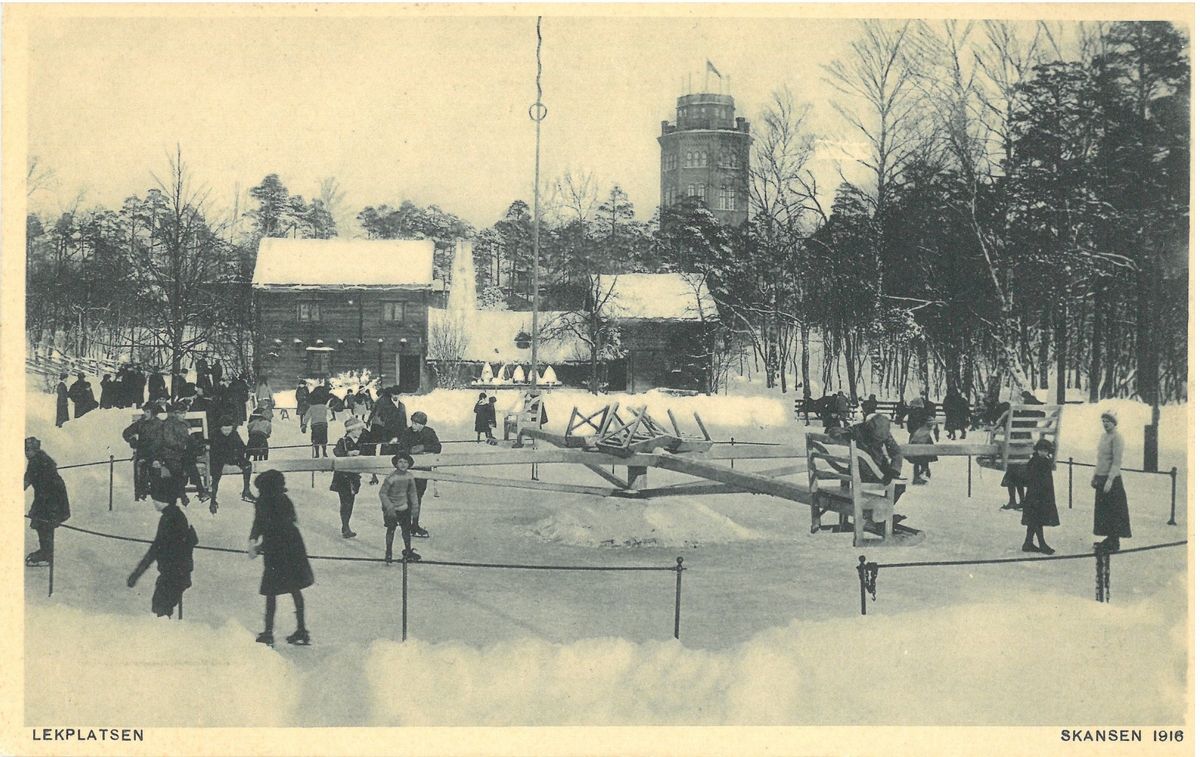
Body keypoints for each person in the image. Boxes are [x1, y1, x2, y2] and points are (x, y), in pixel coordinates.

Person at [248, 470, 314, 647]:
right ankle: (301, 630)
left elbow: (275, 528)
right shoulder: (275, 500)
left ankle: (269, 633)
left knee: (272, 590)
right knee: (293, 588)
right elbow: (259, 523)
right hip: (289, 547)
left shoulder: (273, 501)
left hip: (282, 549)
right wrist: (253, 539)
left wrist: (258, 545)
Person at [126, 490, 197, 618]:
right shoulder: (175, 515)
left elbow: (156, 548)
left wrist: (137, 574)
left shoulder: (169, 519)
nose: (153, 502)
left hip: (174, 573)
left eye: (155, 499)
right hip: (177, 572)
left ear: (162, 501)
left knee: (161, 606)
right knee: (161, 605)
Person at [24, 437, 70, 566]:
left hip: (52, 497)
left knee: (44, 522)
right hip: (46, 496)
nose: (26, 453)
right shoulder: (36, 459)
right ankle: (46, 551)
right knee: (42, 522)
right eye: (25, 450)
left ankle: (46, 553)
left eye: (28, 450)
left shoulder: (39, 461)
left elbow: (28, 480)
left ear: (35, 450)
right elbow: (28, 478)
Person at [398, 411, 442, 538]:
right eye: (412, 422)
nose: (413, 425)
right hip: (410, 470)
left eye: (416, 423)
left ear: (422, 424)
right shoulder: (407, 432)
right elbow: (401, 448)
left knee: (418, 498)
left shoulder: (429, 432)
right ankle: (406, 525)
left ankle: (415, 524)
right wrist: (409, 451)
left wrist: (423, 447)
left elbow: (438, 447)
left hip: (423, 471)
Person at [1093, 411, 1130, 553]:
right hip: (1101, 478)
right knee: (1104, 512)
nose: (1105, 423)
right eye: (1103, 421)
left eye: (1108, 421)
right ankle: (1109, 538)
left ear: (1114, 423)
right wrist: (1095, 476)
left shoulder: (1117, 438)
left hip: (1112, 480)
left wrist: (1110, 480)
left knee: (1113, 511)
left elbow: (1116, 462)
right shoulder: (1103, 437)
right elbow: (1100, 459)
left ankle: (1114, 542)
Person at [379, 453, 421, 563]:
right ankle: (388, 553)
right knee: (391, 530)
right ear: (396, 464)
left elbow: (412, 492)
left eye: (406, 462)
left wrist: (415, 506)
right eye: (401, 462)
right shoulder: (391, 477)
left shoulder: (409, 476)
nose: (403, 464)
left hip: (404, 508)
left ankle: (408, 551)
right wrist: (389, 506)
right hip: (392, 509)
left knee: (406, 530)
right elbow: (382, 493)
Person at [208, 416, 253, 515]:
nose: (227, 432)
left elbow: (241, 446)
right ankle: (213, 499)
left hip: (232, 457)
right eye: (225, 429)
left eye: (229, 429)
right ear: (220, 428)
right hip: (218, 458)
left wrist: (244, 450)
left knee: (247, 465)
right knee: (216, 474)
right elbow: (213, 449)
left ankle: (246, 490)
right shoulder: (214, 434)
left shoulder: (234, 434)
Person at [1021, 439, 1060, 554]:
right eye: (1040, 450)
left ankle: (1028, 543)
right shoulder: (1036, 462)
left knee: (1034, 520)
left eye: (1045, 451)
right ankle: (1042, 544)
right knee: (1037, 520)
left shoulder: (1043, 461)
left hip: (1041, 495)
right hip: (1037, 496)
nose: (1043, 453)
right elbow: (1031, 478)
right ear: (1037, 450)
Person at [330, 417, 365, 539]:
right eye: (359, 429)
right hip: (343, 477)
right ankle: (345, 526)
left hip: (354, 477)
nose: (361, 432)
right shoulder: (343, 441)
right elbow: (336, 452)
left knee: (350, 502)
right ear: (352, 430)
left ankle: (346, 525)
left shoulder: (360, 442)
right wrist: (348, 454)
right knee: (345, 502)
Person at [123, 403, 163, 501]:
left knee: (155, 466)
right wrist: (132, 440)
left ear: (153, 413)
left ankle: (155, 491)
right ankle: (141, 491)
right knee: (141, 464)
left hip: (157, 452)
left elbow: (161, 441)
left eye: (148, 412)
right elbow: (126, 432)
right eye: (144, 411)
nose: (145, 414)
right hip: (143, 452)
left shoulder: (160, 425)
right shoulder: (140, 423)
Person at [905, 417, 939, 485]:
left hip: (916, 446)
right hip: (921, 447)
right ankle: (921, 476)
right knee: (922, 463)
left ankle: (918, 477)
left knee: (917, 463)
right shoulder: (924, 432)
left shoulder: (921, 430)